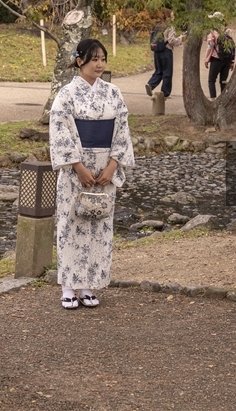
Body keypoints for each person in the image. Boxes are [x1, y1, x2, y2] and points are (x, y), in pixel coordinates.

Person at [49, 38, 136, 309]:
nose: (99, 64)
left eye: (103, 59)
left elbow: (122, 130)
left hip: (104, 169)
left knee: (98, 226)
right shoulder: (66, 95)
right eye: (94, 59)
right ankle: (67, 286)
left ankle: (88, 286)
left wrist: (112, 166)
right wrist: (77, 166)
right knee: (71, 224)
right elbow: (60, 131)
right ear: (80, 61)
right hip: (76, 169)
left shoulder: (113, 93)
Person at [145, 12, 184, 98]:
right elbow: (171, 41)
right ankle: (165, 92)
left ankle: (151, 84)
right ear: (169, 17)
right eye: (172, 15)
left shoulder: (157, 26)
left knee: (159, 71)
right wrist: (180, 39)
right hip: (166, 51)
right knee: (167, 72)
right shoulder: (170, 27)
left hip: (157, 51)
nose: (174, 17)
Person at [203, 13, 236, 99]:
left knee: (211, 80)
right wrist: (232, 61)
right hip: (227, 60)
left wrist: (206, 59)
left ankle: (213, 100)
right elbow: (232, 48)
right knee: (223, 81)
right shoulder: (228, 31)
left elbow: (210, 47)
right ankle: (223, 100)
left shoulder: (213, 33)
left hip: (216, 59)